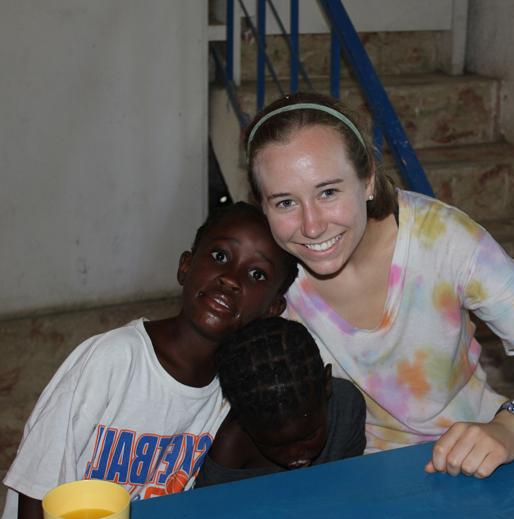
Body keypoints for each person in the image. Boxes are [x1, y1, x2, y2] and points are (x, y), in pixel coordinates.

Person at [242, 91, 514, 479]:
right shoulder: (261, 271)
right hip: (351, 476)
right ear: (261, 206)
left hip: (472, 459)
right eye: (284, 203)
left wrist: (511, 428)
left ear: (367, 180)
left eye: (328, 192)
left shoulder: (443, 239)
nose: (312, 226)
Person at [2, 202, 298, 518]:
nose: (231, 278)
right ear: (186, 266)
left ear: (273, 309)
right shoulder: (113, 359)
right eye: (220, 256)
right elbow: (34, 486)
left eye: (257, 274)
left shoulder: (230, 396)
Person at [195, 316, 366, 487]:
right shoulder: (230, 452)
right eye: (274, 444)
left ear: (327, 385)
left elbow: (349, 483)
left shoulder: (346, 406)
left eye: (309, 436)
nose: (294, 454)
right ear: (243, 422)